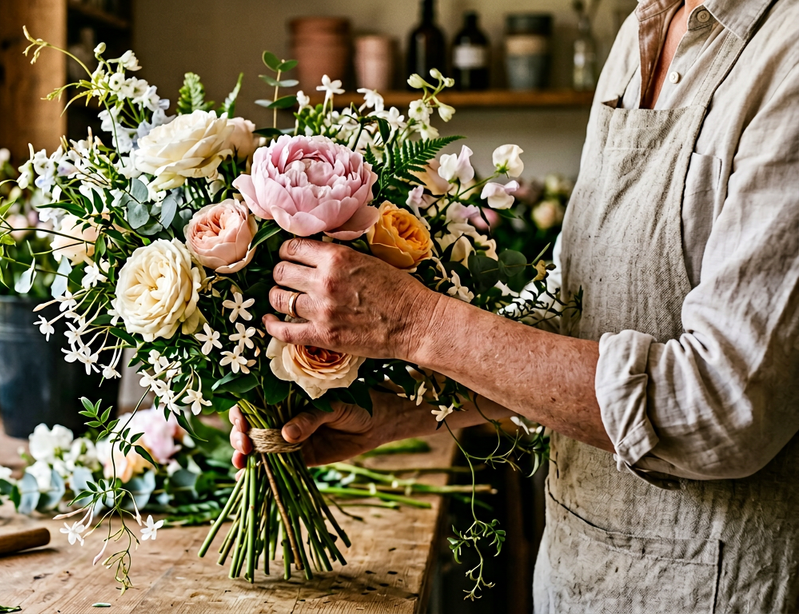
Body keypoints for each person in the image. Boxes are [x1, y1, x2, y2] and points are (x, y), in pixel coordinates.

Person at [230, 0, 799, 610]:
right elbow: (574, 306)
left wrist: (418, 324)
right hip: (575, 574)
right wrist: (411, 411)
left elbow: (723, 404)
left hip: (709, 589)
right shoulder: (641, 30)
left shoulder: (784, 52)